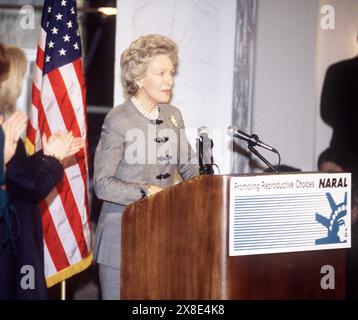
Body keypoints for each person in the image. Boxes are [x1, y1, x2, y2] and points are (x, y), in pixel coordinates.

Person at [93, 34, 199, 299]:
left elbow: (189, 166)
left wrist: (206, 185)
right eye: (161, 73)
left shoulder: (173, 115)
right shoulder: (118, 119)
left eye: (171, 72)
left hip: (163, 237)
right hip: (121, 239)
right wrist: (145, 191)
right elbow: (102, 184)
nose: (169, 80)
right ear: (138, 78)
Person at [0, 45, 84, 299]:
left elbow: (16, 173)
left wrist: (45, 156)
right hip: (10, 237)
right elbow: (29, 186)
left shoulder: (5, 120)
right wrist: (54, 160)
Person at [318, 42, 358, 299]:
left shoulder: (337, 71)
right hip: (342, 164)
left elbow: (327, 114)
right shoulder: (338, 70)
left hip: (341, 160)